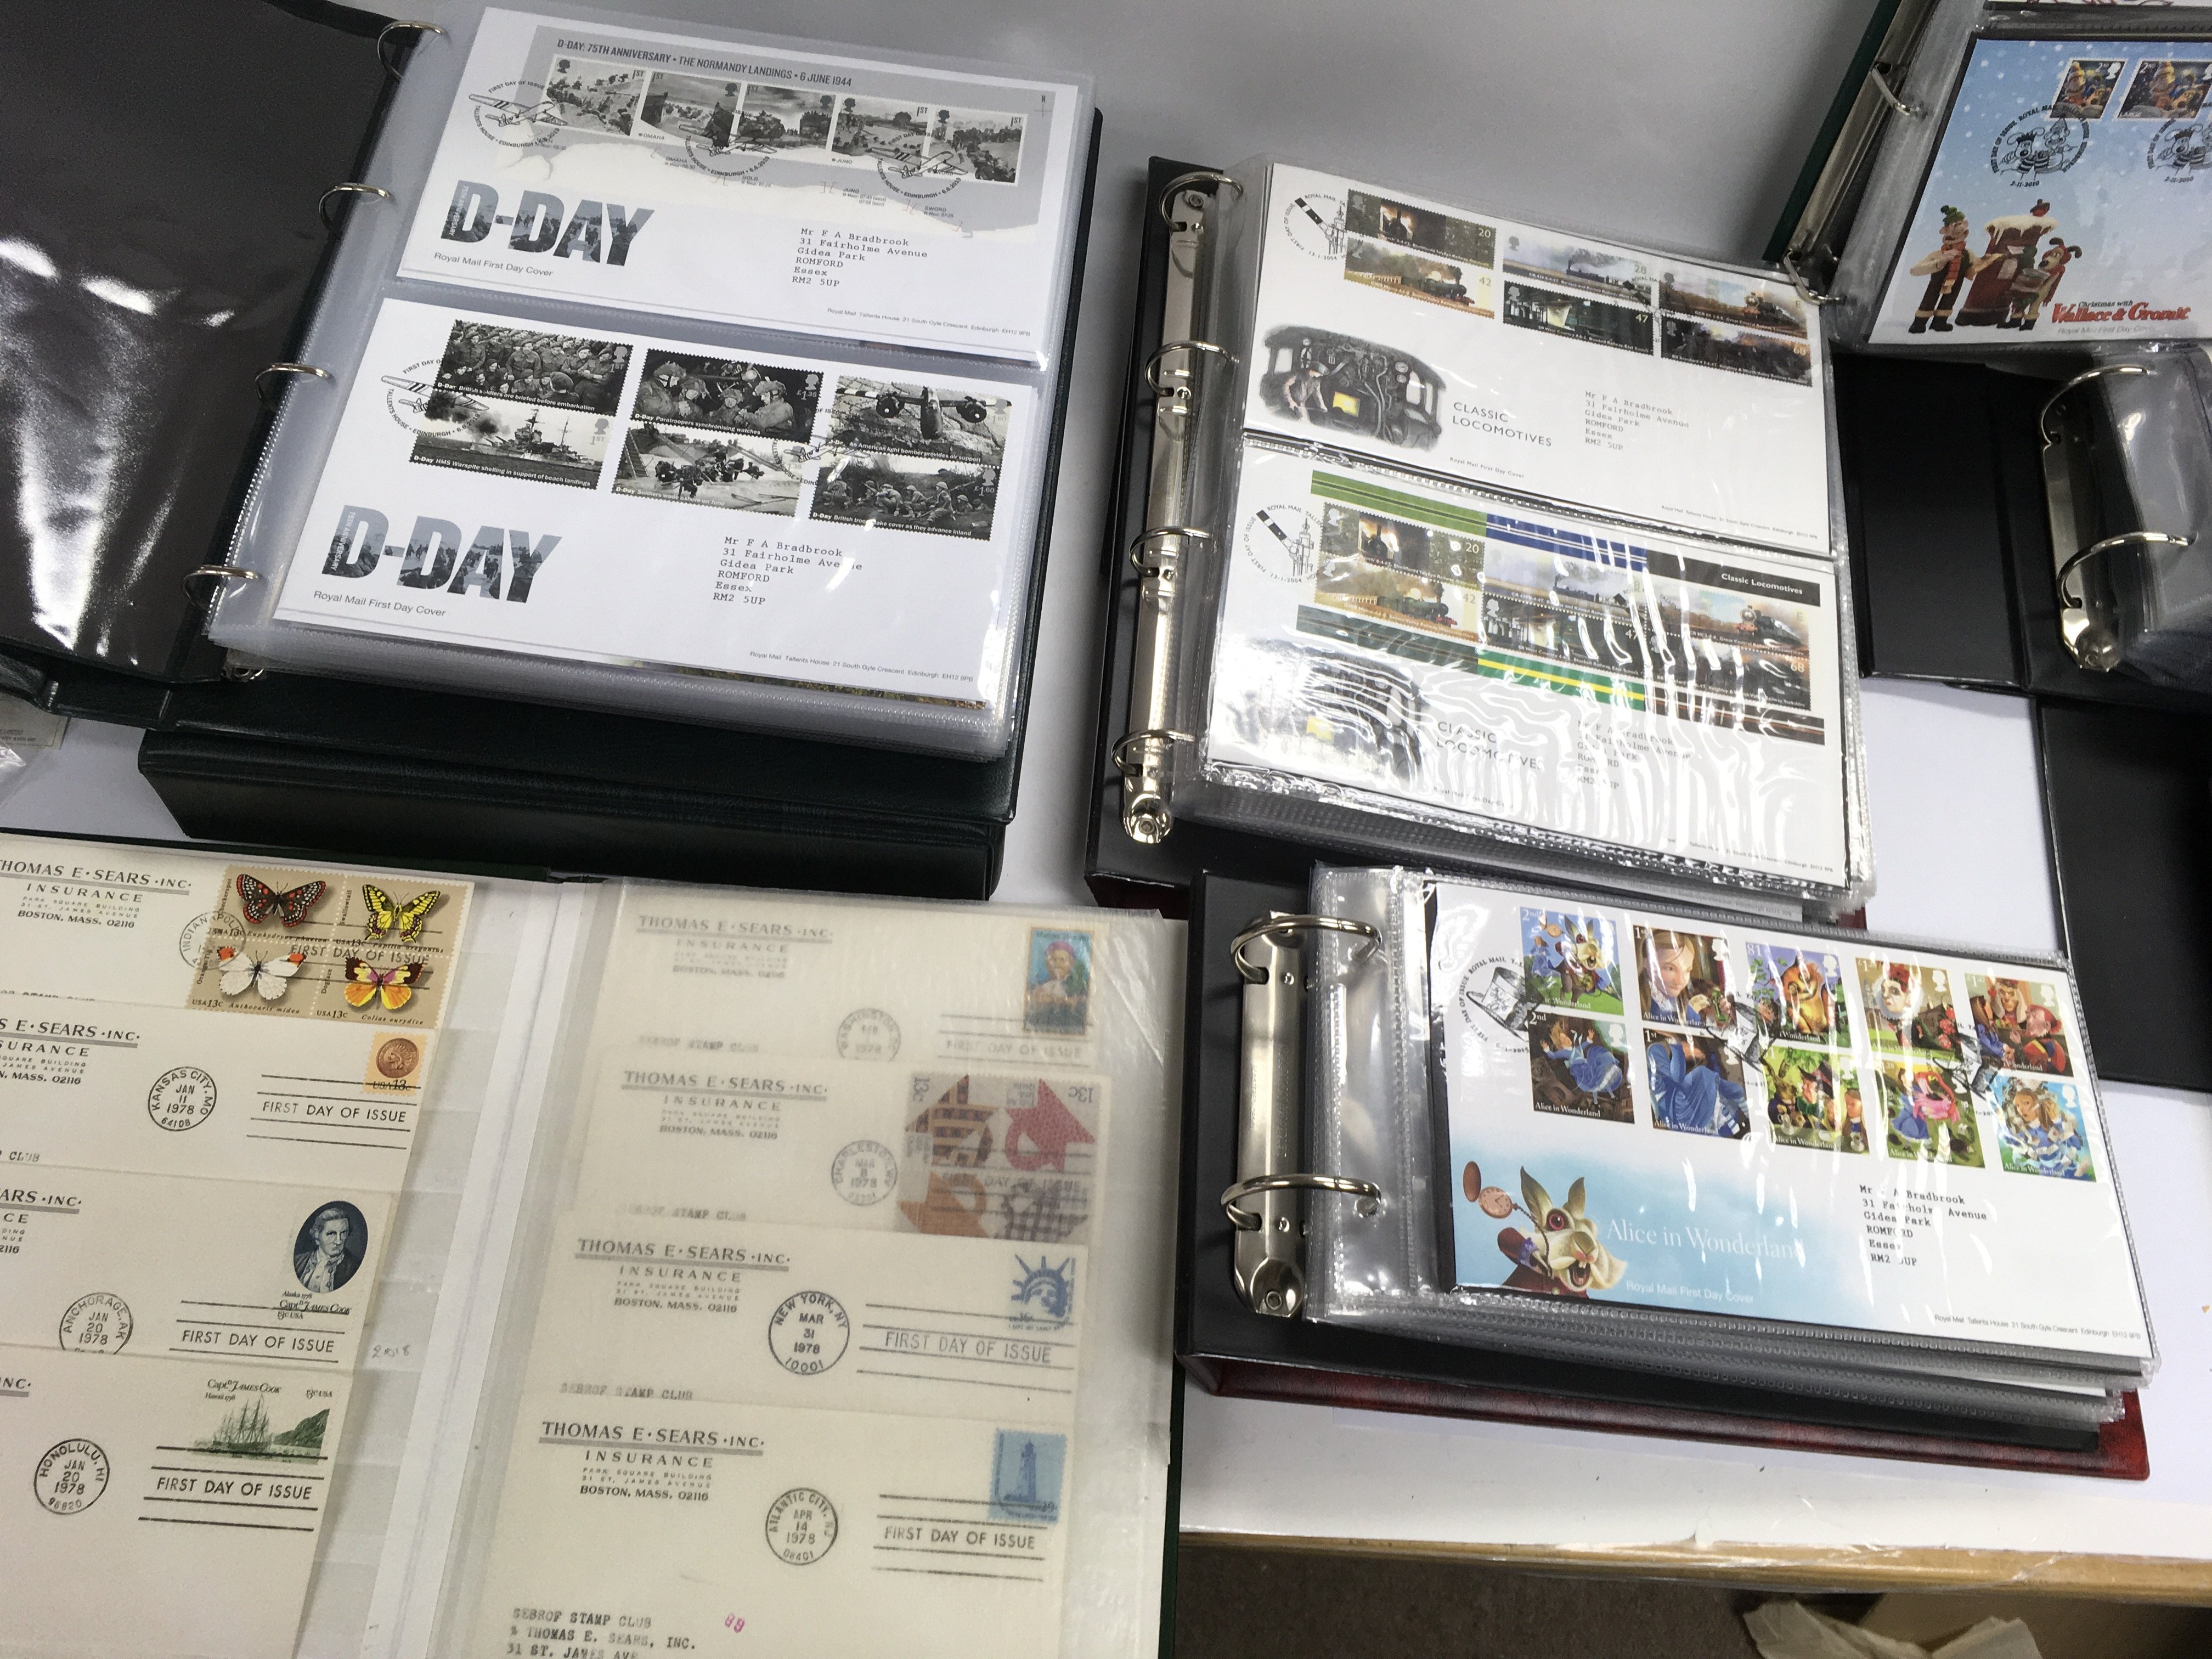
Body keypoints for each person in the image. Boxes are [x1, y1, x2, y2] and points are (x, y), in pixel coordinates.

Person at [1647, 1032, 1744, 1135]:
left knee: (1709, 1078)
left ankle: (1734, 1119)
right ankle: (1735, 1119)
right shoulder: (1654, 1051)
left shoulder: (1655, 1050)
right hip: (1675, 1107)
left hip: (1674, 1105)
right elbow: (1677, 1078)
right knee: (1703, 1075)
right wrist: (1676, 1045)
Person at [1905, 205, 1972, 335]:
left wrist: (1987, 261)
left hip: (1956, 284)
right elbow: (1915, 270)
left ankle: (1940, 322)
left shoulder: (1967, 254)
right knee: (1930, 298)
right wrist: (1942, 261)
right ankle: (1919, 323)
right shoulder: (1939, 254)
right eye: (1956, 224)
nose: (1960, 228)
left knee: (1949, 300)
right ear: (1947, 231)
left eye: (1961, 224)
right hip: (1937, 282)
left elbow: (1973, 266)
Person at [295, 1205, 364, 1293]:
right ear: (317, 1235)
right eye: (331, 1234)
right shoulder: (298, 1261)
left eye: (343, 1233)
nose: (339, 1241)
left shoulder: (355, 1267)